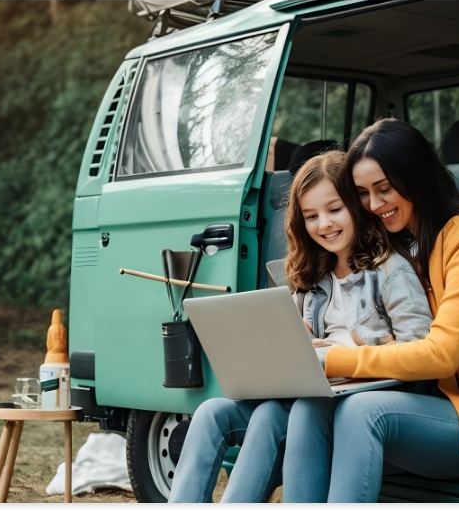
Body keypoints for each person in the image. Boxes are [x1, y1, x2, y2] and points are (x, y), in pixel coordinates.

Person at [168, 150, 432, 503]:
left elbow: (421, 355)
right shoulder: (311, 277)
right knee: (211, 411)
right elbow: (296, 348)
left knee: (275, 416)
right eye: (311, 216)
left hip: (358, 396)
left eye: (334, 210)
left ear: (357, 207)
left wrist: (342, 355)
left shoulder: (391, 271)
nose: (324, 224)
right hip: (312, 388)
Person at [315, 118, 459, 503]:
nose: (374, 206)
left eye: (384, 189)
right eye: (363, 194)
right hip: (430, 403)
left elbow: (440, 355)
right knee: (312, 411)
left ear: (417, 177)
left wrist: (333, 360)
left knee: (362, 413)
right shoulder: (404, 244)